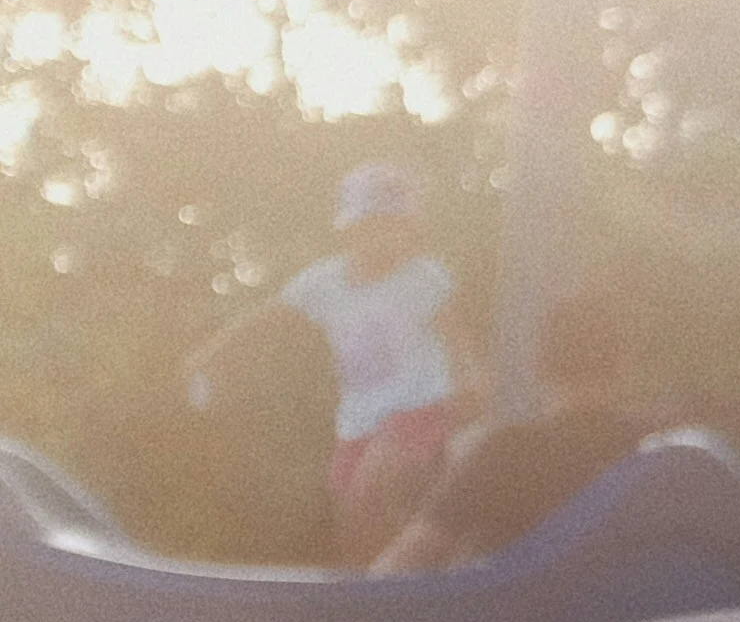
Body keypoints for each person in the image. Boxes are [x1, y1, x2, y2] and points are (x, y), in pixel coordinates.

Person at [186, 160, 472, 567]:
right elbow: (266, 319)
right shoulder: (325, 282)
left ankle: (394, 578)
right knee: (349, 512)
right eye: (372, 228)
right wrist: (210, 357)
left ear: (409, 231)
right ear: (350, 231)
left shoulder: (423, 278)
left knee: (371, 486)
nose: (384, 240)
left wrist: (470, 387)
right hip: (358, 421)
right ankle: (371, 590)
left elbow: (456, 337)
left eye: (395, 228)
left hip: (420, 410)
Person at [371, 297, 662, 572]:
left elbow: (405, 561)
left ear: (538, 367)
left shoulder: (505, 453)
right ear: (625, 367)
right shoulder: (660, 450)